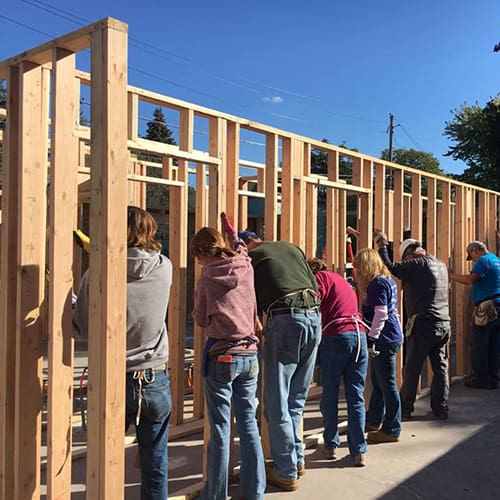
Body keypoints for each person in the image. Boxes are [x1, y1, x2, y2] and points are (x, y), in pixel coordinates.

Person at [73, 206, 173, 500]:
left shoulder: (99, 272)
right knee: (155, 462)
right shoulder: (164, 266)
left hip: (112, 379)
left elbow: (84, 327)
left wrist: (71, 297)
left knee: (105, 462)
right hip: (154, 378)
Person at [239, 230, 321, 492]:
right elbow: (314, 284)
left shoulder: (250, 258)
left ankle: (285, 471)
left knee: (275, 403)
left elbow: (246, 299)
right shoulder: (290, 246)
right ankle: (297, 461)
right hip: (314, 318)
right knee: (295, 399)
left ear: (244, 245)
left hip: (286, 319)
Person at [191, 215, 265, 500]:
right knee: (248, 425)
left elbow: (199, 318)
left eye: (198, 257)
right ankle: (254, 492)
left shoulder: (207, 279)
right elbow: (242, 248)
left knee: (221, 430)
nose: (198, 264)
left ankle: (215, 495)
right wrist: (232, 234)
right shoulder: (245, 266)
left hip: (222, 355)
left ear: (201, 253)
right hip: (250, 355)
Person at [375, 235, 451, 420]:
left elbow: (391, 268)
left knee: (413, 367)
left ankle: (406, 408)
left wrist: (383, 247)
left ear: (410, 255)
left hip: (424, 324)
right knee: (440, 367)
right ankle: (440, 408)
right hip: (443, 322)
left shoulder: (418, 264)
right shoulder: (440, 264)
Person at [308, 258, 368, 466]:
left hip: (337, 336)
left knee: (331, 393)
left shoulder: (320, 278)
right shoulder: (341, 280)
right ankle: (359, 450)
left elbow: (314, 300)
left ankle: (331, 445)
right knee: (355, 396)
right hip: (359, 335)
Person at [353, 248, 403, 443]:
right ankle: (373, 419)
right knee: (379, 381)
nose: (356, 270)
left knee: (387, 383)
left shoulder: (376, 284)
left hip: (384, 338)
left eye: (358, 266)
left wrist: (372, 337)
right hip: (390, 336)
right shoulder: (386, 280)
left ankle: (392, 428)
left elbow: (381, 313)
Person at [449, 240, 500, 389]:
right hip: (497, 305)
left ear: (475, 251)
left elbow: (470, 280)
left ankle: (481, 379)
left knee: (479, 343)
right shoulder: (496, 260)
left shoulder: (483, 260)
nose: (473, 261)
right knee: (494, 345)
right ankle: (492, 378)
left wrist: (450, 276)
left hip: (487, 307)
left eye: (472, 257)